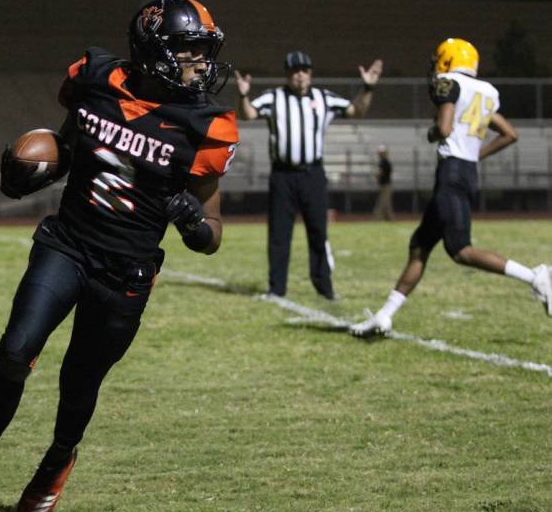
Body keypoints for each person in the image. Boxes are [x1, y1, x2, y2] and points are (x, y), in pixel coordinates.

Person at [0, 0, 239, 512]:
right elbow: (67, 146)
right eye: (189, 52)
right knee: (15, 350)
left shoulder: (205, 124)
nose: (200, 65)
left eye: (204, 52)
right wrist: (29, 172)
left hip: (126, 271)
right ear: (155, 52)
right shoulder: (96, 78)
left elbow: (213, 237)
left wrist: (192, 222)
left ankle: (59, 458)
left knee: (79, 382)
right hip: (67, 244)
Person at [351, 38, 552, 338]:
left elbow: (444, 128)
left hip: (452, 172)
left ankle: (536, 276)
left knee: (460, 250)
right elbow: (510, 133)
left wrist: (433, 133)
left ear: (447, 60)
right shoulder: (485, 91)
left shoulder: (448, 83)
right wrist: (475, 155)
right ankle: (384, 316)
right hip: (465, 171)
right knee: (420, 246)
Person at [234, 52, 383, 300]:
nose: (300, 75)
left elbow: (357, 111)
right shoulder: (274, 97)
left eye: (304, 70)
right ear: (287, 75)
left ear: (310, 73)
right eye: (294, 71)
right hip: (282, 175)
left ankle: (325, 288)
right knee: (279, 234)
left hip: (312, 174)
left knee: (318, 231)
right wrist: (242, 94)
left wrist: (367, 87)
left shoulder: (323, 97)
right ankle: (276, 289)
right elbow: (248, 114)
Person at [373, 144, 395, 221]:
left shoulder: (384, 162)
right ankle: (390, 220)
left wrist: (376, 175)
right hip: (385, 185)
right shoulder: (384, 162)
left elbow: (379, 173)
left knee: (383, 203)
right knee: (387, 204)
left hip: (386, 185)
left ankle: (378, 219)